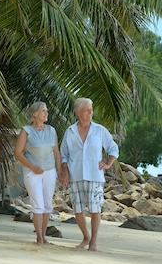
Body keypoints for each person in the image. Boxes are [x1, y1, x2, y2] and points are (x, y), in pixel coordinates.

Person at [59, 98, 119, 251]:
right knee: (78, 210)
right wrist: (64, 172)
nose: (91, 112)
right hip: (75, 175)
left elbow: (113, 148)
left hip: (94, 175)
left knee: (95, 210)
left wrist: (108, 163)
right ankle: (86, 237)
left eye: (91, 109)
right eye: (87, 109)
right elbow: (63, 154)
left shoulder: (99, 130)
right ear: (78, 112)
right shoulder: (70, 131)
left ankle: (93, 242)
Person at [14, 102, 61, 244]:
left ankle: (43, 236)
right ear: (34, 114)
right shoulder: (26, 130)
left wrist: (60, 172)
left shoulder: (52, 130)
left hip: (49, 171)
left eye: (46, 111)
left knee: (47, 205)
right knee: (38, 205)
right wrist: (32, 166)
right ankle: (39, 237)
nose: (46, 113)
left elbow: (56, 153)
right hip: (32, 172)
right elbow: (18, 153)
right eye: (43, 111)